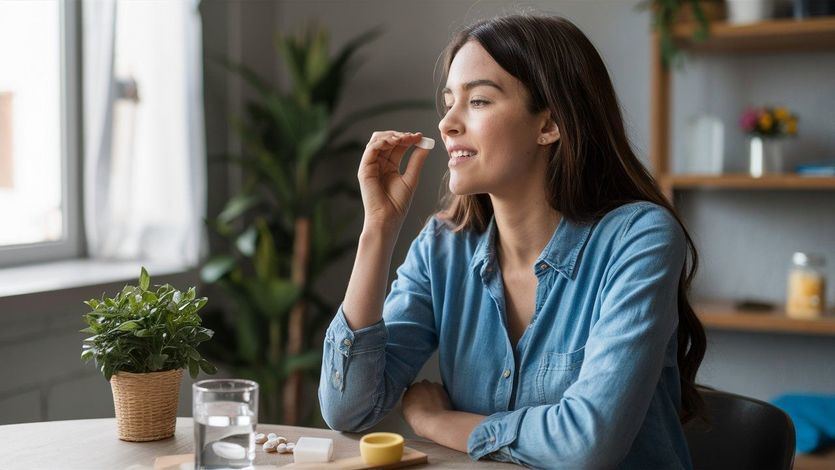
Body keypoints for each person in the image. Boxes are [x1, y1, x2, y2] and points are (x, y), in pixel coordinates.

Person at [318, 13, 706, 469]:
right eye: (448, 102)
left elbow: (587, 445)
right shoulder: (444, 247)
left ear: (549, 124)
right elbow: (348, 409)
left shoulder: (639, 239)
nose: (447, 124)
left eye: (478, 101)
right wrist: (378, 228)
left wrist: (437, 422)